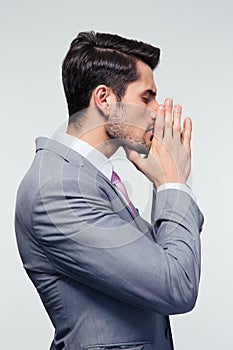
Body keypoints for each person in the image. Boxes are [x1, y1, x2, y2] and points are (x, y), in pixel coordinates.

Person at [15, 31, 204, 350]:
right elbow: (176, 286)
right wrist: (173, 183)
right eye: (146, 97)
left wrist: (167, 185)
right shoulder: (59, 190)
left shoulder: (90, 179)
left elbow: (158, 261)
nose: (157, 110)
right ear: (104, 99)